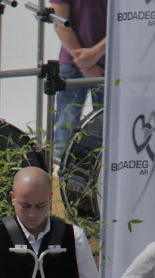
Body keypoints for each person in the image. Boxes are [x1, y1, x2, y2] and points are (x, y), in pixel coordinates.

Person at [50, 0, 107, 164]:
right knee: (65, 126)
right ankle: (58, 181)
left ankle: (99, 175)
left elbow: (124, 23)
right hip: (73, 63)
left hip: (108, 63)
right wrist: (85, 63)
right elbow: (59, 23)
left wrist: (91, 57)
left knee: (106, 127)